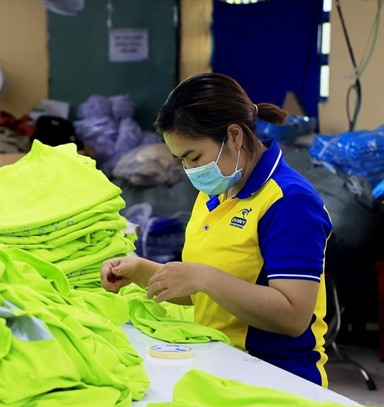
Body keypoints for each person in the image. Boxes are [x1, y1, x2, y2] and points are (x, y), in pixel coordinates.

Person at [101, 72, 333, 387]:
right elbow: (209, 296)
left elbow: (293, 317)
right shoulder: (216, 192)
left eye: (193, 157)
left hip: (277, 378)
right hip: (220, 362)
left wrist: (203, 277)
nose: (190, 170)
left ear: (234, 135)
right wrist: (140, 270)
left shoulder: (289, 202)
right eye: (180, 160)